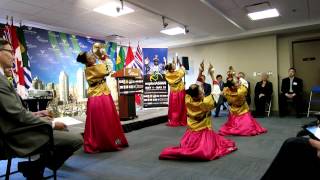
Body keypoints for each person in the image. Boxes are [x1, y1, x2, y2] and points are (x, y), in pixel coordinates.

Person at [0, 39, 83, 179]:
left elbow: (11, 113)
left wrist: (37, 113)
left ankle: (36, 166)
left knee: (57, 127)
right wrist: (52, 124)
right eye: (10, 52)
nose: (13, 56)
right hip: (16, 136)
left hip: (16, 128)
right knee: (76, 139)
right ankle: (36, 167)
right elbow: (17, 115)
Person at [159, 64, 237, 160]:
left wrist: (200, 71)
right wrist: (212, 75)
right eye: (201, 92)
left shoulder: (188, 98)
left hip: (191, 131)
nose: (203, 91)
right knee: (207, 151)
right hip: (203, 131)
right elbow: (216, 93)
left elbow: (196, 86)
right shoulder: (205, 103)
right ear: (197, 96)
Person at [76, 51, 128, 153]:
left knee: (106, 119)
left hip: (101, 94)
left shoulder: (92, 67)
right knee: (104, 120)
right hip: (98, 97)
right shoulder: (93, 68)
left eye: (92, 55)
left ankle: (110, 140)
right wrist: (105, 57)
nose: (93, 57)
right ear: (87, 61)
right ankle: (105, 142)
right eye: (90, 57)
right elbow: (109, 68)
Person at [164, 59, 187, 126]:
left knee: (174, 107)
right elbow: (183, 69)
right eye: (173, 65)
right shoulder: (177, 73)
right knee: (181, 106)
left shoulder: (167, 74)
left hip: (172, 93)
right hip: (180, 92)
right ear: (171, 69)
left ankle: (173, 119)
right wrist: (179, 62)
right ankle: (181, 120)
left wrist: (174, 63)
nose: (175, 66)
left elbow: (170, 70)